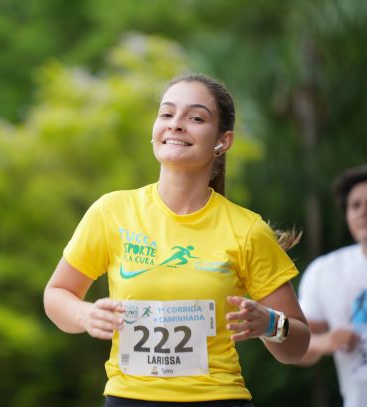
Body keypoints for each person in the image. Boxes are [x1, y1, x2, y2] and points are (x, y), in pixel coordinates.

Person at [43, 73, 310, 406]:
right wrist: (85, 315)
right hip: (128, 399)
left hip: (218, 400)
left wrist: (270, 324)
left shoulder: (248, 230)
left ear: (223, 141)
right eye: (167, 113)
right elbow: (57, 294)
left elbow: (298, 347)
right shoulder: (111, 211)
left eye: (195, 118)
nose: (176, 124)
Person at [298, 164, 367, 407]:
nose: (363, 212)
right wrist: (325, 341)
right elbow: (297, 346)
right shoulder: (326, 272)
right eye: (355, 205)